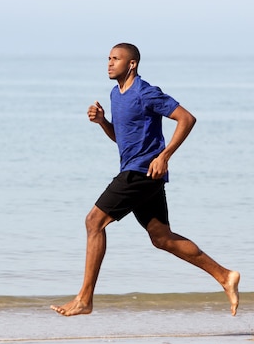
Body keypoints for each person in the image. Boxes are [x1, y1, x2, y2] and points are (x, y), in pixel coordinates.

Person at [51, 43, 240, 317]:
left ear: (132, 64)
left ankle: (84, 299)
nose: (109, 63)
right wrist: (103, 122)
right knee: (162, 238)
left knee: (94, 221)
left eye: (116, 59)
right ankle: (225, 276)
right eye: (108, 58)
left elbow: (186, 118)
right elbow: (122, 138)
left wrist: (165, 156)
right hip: (140, 171)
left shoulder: (146, 92)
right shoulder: (116, 95)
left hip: (141, 172)